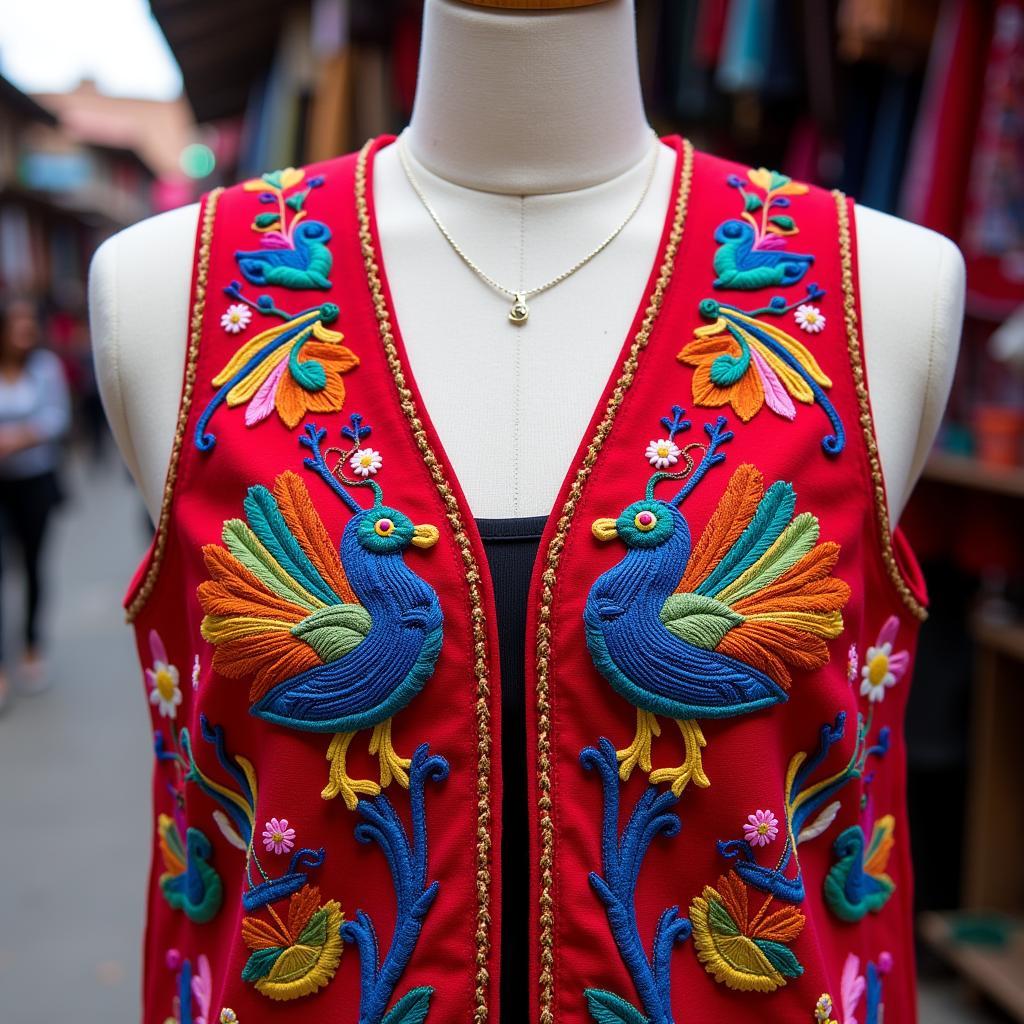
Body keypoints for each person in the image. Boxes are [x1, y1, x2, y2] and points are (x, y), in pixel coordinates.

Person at [0, 297, 70, 711]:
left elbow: (57, 418)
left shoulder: (45, 368)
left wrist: (15, 439)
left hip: (35, 483)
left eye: (31, 321)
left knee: (31, 563)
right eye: (17, 321)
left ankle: (30, 643)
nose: (26, 329)